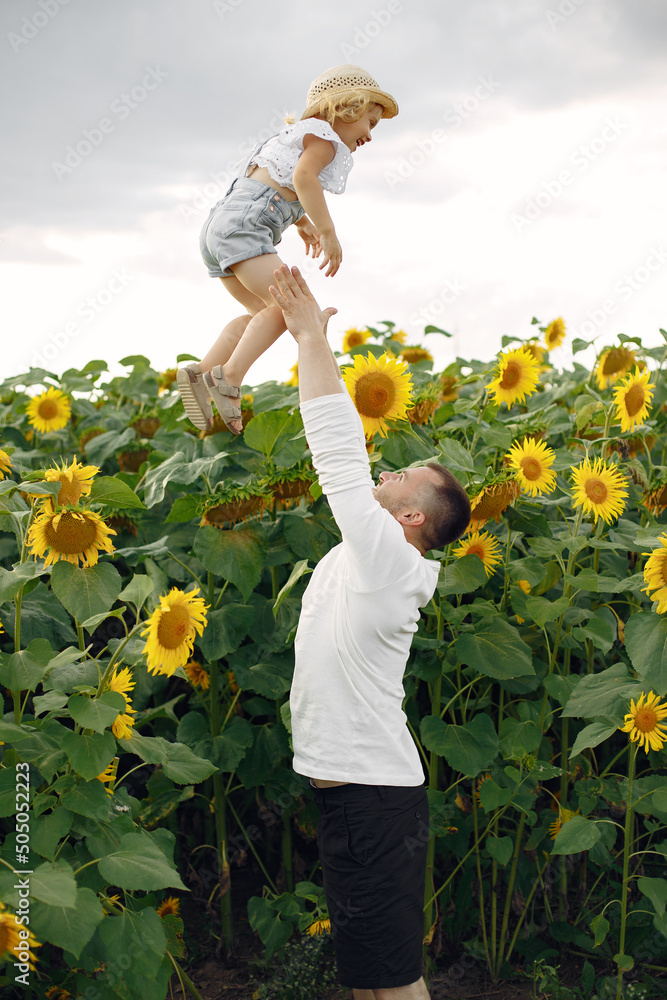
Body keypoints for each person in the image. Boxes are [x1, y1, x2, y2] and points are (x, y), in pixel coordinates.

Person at [268, 265, 472, 1000]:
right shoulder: (367, 556)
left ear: (413, 518)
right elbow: (344, 469)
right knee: (367, 980)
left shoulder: (387, 557)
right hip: (352, 799)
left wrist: (310, 337)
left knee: (396, 984)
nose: (389, 471)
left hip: (375, 802)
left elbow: (337, 454)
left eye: (406, 476)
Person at [177, 64, 398, 435]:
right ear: (347, 108)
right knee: (292, 308)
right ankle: (228, 379)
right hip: (245, 230)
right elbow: (302, 178)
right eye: (370, 123)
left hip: (220, 230)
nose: (371, 135)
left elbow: (274, 183)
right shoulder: (324, 140)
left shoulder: (295, 137)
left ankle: (202, 373)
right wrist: (328, 233)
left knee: (264, 315)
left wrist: (301, 223)